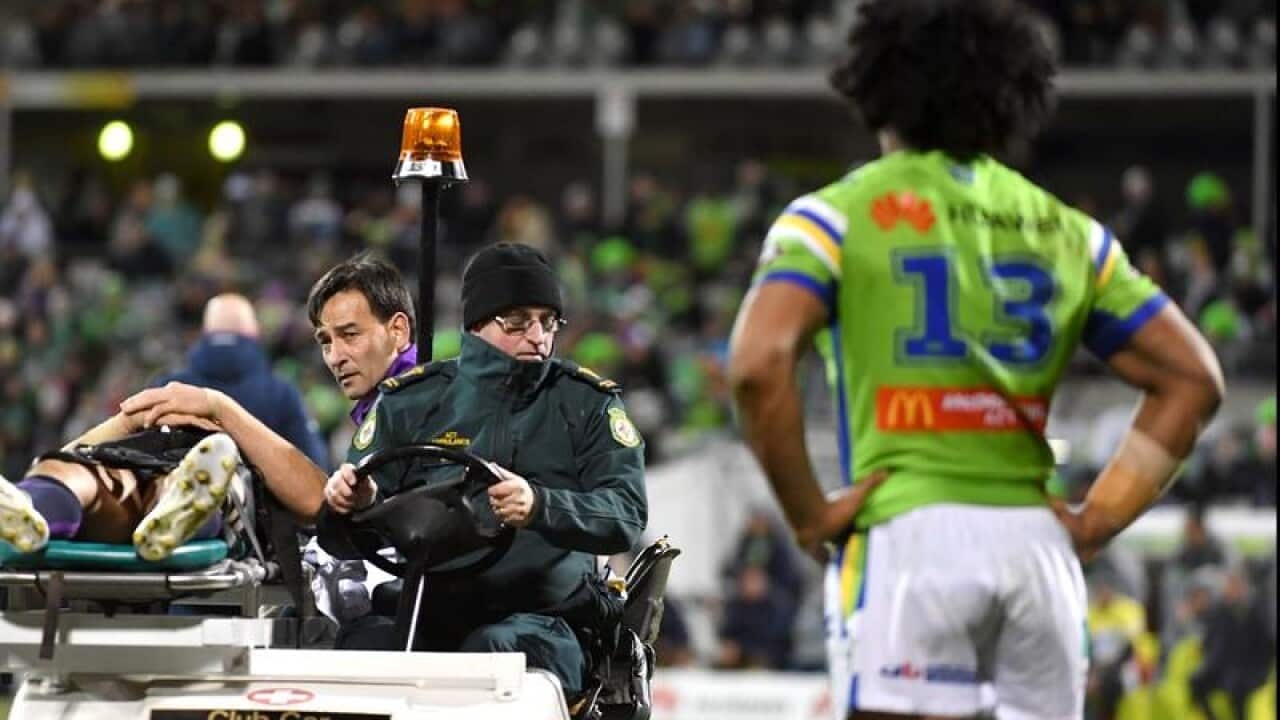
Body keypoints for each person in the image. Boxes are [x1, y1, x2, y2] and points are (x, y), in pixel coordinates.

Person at [726, 2, 1224, 718]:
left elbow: (757, 364)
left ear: (877, 85)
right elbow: (1194, 380)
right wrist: (1095, 519)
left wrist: (808, 514)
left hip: (909, 539)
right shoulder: (1070, 231)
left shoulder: (835, 215)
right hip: (1039, 554)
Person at [324, 242, 647, 698]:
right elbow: (342, 529)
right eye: (517, 320)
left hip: (546, 617)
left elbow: (625, 515)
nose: (537, 335)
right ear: (476, 325)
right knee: (363, 648)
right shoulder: (412, 401)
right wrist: (358, 503)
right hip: (429, 607)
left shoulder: (586, 405)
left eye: (548, 321)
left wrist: (540, 504)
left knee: (493, 655)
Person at [154, 293, 329, 469]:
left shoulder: (167, 389)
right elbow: (315, 465)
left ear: (205, 332)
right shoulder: (282, 393)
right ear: (254, 333)